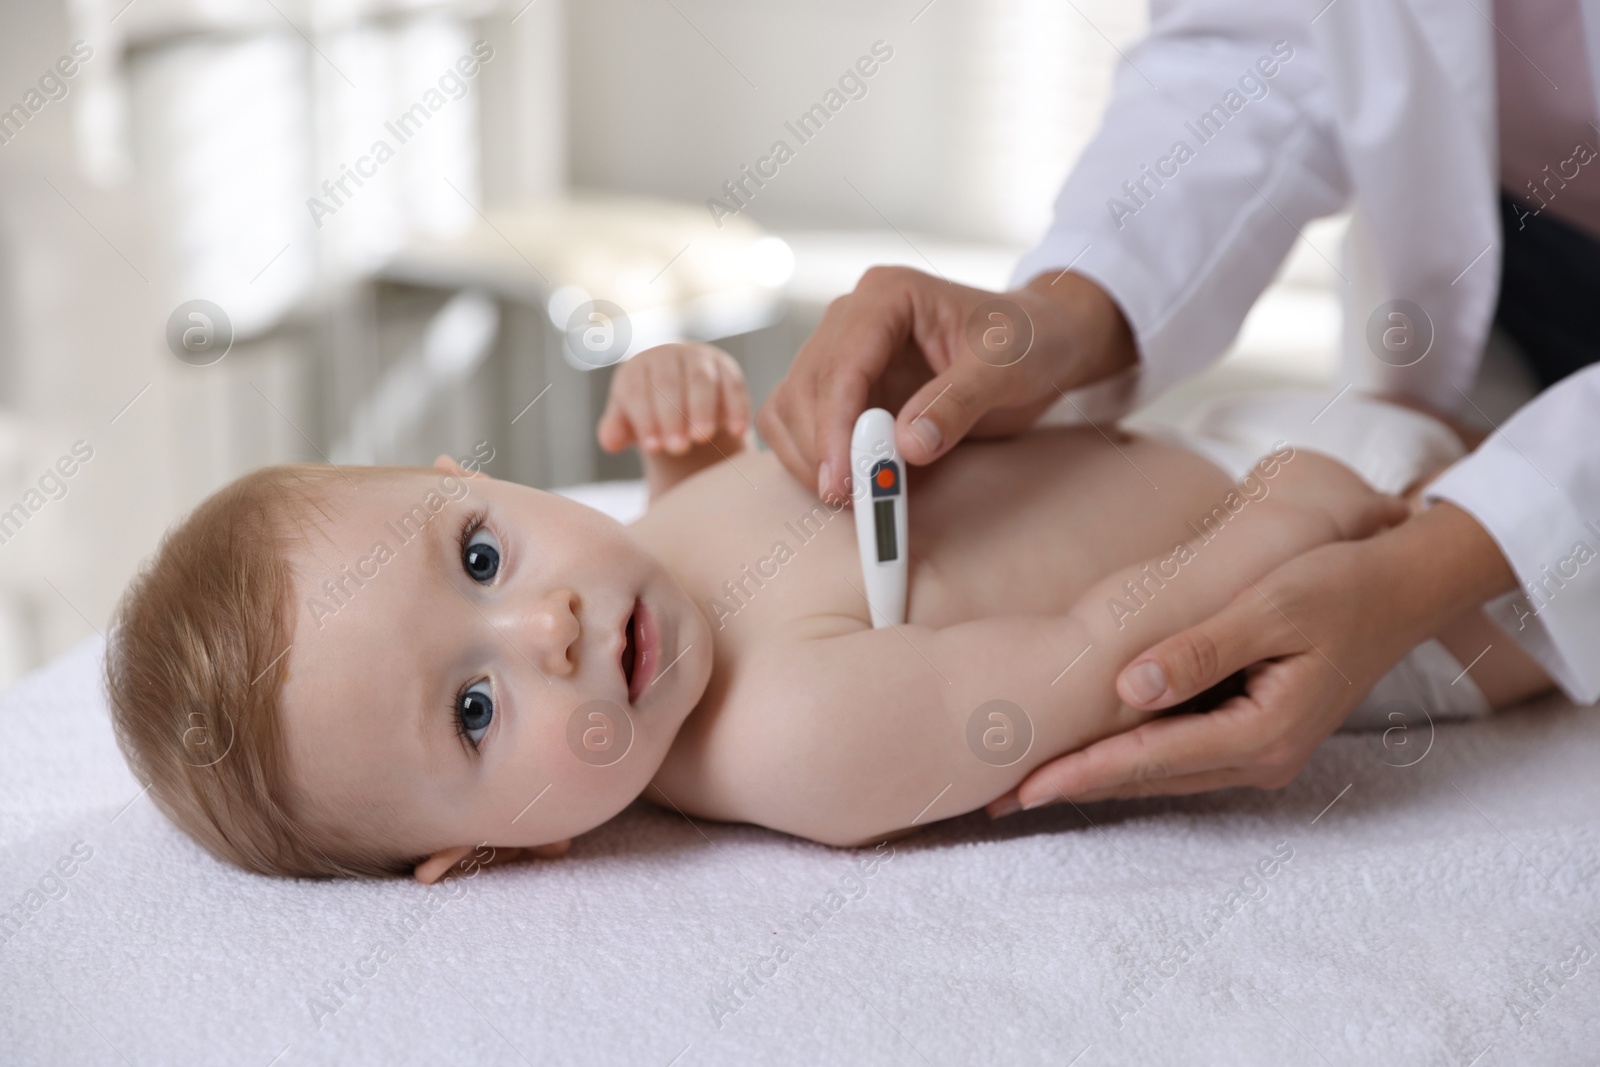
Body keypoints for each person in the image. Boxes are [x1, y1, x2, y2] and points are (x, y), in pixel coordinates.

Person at [102, 340, 1551, 881]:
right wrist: (1275, 526)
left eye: (480, 558)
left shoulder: (649, 556)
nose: (540, 628)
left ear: (469, 476)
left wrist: (691, 447)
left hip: (1239, 434)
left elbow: (785, 526)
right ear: (482, 845)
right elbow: (1082, 658)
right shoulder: (789, 737)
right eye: (474, 711)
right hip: (1353, 595)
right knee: (1561, 565)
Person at [757, 1, 1600, 816]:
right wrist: (1069, 312)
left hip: (1326, 514)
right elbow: (1255, 42)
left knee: (1525, 572)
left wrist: (1417, 560)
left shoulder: (792, 735)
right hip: (1470, 300)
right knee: (1509, 590)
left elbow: (1088, 651)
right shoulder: (767, 728)